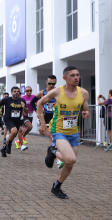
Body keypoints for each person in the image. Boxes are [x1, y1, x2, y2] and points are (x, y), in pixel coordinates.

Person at [38, 66, 89, 199]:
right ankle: (53, 151)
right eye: (72, 75)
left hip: (73, 132)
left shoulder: (83, 93)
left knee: (69, 163)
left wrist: (85, 114)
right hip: (58, 130)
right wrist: (43, 123)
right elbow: (39, 103)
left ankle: (57, 186)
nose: (76, 77)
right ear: (65, 78)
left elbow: (84, 111)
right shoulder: (57, 92)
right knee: (71, 158)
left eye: (77, 75)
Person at [0, 87, 28, 157]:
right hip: (8, 119)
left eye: (17, 91)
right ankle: (9, 145)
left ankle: (4, 149)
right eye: (14, 91)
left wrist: (24, 107)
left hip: (17, 120)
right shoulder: (7, 99)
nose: (16, 92)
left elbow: (26, 111)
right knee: (13, 131)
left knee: (12, 135)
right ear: (11, 93)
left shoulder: (22, 100)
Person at [31, 75, 57, 147]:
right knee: (50, 136)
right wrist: (37, 111)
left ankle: (53, 152)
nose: (51, 85)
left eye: (53, 84)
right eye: (49, 83)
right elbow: (32, 102)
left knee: (56, 137)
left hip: (56, 116)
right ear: (46, 82)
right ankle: (53, 154)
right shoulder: (42, 93)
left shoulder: (58, 92)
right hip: (47, 116)